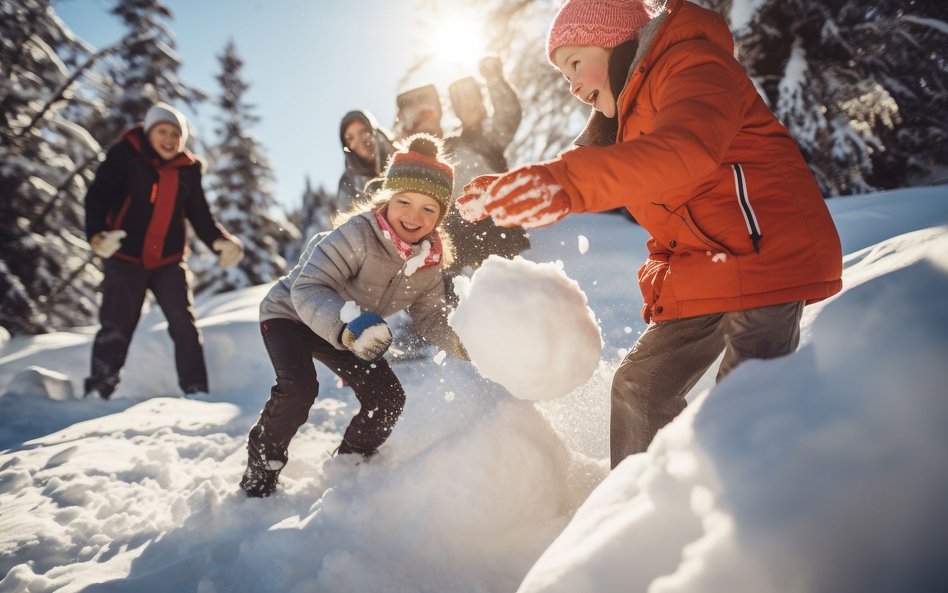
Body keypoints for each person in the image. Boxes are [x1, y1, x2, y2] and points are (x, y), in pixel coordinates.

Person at [458, 0, 843, 468]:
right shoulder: (623, 125)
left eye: (575, 64)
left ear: (617, 42)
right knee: (639, 387)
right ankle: (630, 511)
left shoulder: (691, 64)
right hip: (712, 264)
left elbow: (684, 151)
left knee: (744, 405)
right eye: (564, 77)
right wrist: (508, 187)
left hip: (766, 253)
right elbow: (658, 206)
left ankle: (743, 513)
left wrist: (564, 182)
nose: (574, 87)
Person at [240, 134, 467, 498]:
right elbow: (309, 287)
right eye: (404, 201)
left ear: (440, 216)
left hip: (351, 328)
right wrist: (348, 327)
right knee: (299, 389)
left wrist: (462, 340)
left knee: (387, 397)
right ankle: (260, 473)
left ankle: (349, 467)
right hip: (291, 315)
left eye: (429, 208)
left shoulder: (428, 264)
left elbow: (429, 318)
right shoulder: (359, 234)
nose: (414, 215)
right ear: (386, 200)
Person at [83, 102, 244, 399]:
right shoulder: (126, 155)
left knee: (184, 325)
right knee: (116, 326)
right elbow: (98, 196)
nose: (169, 139)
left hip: (168, 261)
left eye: (175, 133)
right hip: (125, 257)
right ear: (148, 132)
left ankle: (196, 390)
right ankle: (99, 390)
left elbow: (200, 214)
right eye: (162, 131)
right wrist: (97, 235)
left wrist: (219, 241)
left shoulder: (188, 170)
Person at [441, 56, 531, 274]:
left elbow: (509, 115)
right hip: (456, 224)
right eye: (459, 101)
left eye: (470, 96)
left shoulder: (490, 134)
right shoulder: (449, 144)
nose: (466, 104)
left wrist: (494, 78)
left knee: (497, 278)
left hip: (493, 219)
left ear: (481, 98)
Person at [337, 110, 395, 213]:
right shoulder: (347, 183)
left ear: (373, 131)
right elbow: (347, 221)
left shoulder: (401, 157)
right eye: (350, 138)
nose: (359, 140)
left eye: (364, 132)